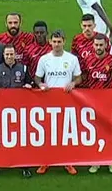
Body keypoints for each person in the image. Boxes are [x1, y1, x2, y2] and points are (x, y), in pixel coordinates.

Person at [34, 30, 83, 176]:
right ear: (50, 42)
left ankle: (67, 162)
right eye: (54, 42)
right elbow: (37, 78)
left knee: (66, 133)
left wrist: (73, 83)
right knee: (48, 132)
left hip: (68, 101)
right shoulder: (44, 59)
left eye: (59, 42)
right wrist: (41, 84)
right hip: (48, 102)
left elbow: (79, 78)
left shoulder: (72, 59)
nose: (56, 44)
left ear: (64, 41)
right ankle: (46, 162)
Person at [82, 33, 112, 174]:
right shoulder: (87, 60)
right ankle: (96, 161)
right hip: (91, 101)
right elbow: (82, 78)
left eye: (101, 45)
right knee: (94, 132)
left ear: (106, 45)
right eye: (96, 45)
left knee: (109, 131)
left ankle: (111, 160)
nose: (98, 47)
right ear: (93, 45)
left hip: (108, 101)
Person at [0, 44, 34, 178]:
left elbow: (30, 83)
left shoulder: (24, 68)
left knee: (21, 139)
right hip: (2, 111)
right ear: (3, 55)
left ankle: (25, 166)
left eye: (11, 54)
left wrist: (29, 86)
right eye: (7, 54)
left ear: (15, 55)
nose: (9, 57)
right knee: (0, 138)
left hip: (20, 111)